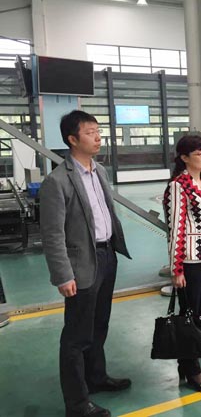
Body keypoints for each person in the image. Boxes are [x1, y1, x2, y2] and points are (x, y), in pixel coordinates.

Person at [40, 110, 131, 417]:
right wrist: (63, 275)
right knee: (76, 337)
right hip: (81, 265)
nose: (98, 137)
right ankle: (77, 404)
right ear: (72, 139)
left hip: (106, 256)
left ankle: (96, 377)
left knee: (99, 325)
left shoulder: (99, 171)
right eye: (90, 132)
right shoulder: (57, 181)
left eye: (98, 131)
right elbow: (52, 234)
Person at [163, 135, 201, 393]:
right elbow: (175, 228)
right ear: (184, 157)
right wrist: (176, 269)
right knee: (190, 314)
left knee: (199, 313)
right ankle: (193, 370)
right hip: (191, 259)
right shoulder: (179, 186)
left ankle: (186, 364)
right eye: (199, 153)